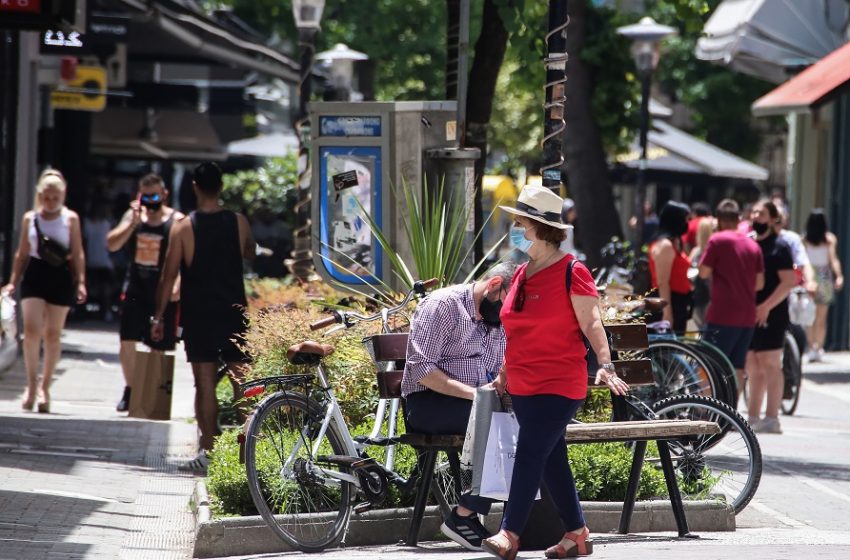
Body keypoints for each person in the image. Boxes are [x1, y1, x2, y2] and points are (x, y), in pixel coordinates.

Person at [481, 185, 629, 560]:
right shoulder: (521, 274)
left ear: (541, 228)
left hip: (560, 382)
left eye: (520, 224)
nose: (515, 230)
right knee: (551, 458)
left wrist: (606, 363)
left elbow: (592, 322)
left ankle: (509, 533)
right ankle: (577, 533)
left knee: (530, 452)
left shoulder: (572, 271)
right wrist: (504, 372)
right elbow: (515, 329)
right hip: (524, 384)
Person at [401, 261, 517, 551]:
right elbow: (421, 370)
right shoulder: (442, 305)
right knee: (497, 423)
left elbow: (495, 372)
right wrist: (477, 396)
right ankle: (463, 516)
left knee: (526, 420)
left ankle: (507, 520)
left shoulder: (495, 320)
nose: (508, 311)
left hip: (475, 403)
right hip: (429, 403)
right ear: (493, 286)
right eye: (508, 302)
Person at [151, 162, 255, 473]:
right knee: (242, 383)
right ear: (221, 187)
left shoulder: (183, 228)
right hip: (234, 312)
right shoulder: (238, 222)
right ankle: (247, 455)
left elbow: (168, 277)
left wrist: (158, 317)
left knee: (205, 384)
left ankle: (208, 454)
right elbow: (249, 251)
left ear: (195, 186)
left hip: (199, 316)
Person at [1, 169, 87, 413]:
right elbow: (22, 252)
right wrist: (13, 281)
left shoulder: (71, 219)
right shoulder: (30, 218)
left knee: (52, 334)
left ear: (63, 195)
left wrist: (81, 281)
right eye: (46, 197)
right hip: (36, 273)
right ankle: (30, 384)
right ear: (40, 195)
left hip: (60, 274)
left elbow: (78, 252)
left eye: (55, 197)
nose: (50, 202)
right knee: (31, 330)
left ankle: (45, 387)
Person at [107, 174, 183, 412]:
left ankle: (153, 396)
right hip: (136, 286)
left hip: (163, 288)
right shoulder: (133, 217)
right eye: (145, 196)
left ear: (164, 194)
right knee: (127, 340)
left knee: (159, 344)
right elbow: (112, 244)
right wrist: (132, 223)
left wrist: (178, 285)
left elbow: (184, 257)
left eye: (154, 195)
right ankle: (131, 389)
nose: (150, 200)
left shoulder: (177, 220)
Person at [698, 199, 764, 402]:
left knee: (707, 364)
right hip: (747, 315)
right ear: (738, 219)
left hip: (722, 314)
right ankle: (732, 413)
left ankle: (706, 409)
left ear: (718, 220)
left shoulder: (717, 240)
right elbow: (760, 284)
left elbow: (703, 272)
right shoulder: (754, 246)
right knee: (737, 366)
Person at [746, 200, 796, 434]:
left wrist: (766, 306)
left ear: (773, 218)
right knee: (753, 366)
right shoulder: (749, 243)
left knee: (771, 364)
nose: (756, 216)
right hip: (749, 312)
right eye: (755, 212)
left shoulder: (780, 247)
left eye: (762, 213)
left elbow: (788, 282)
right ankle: (753, 417)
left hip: (773, 313)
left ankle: (772, 417)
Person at [802, 209, 844, 362]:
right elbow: (834, 260)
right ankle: (815, 346)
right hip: (817, 276)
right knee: (818, 316)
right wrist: (838, 276)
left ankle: (816, 347)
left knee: (815, 316)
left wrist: (838, 275)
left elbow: (833, 259)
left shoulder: (828, 239)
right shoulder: (806, 240)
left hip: (816, 275)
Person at [648, 201, 692, 333]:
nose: (687, 222)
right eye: (685, 218)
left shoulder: (675, 242)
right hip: (668, 302)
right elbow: (662, 282)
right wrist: (667, 313)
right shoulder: (665, 246)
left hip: (679, 301)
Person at [82, 200, 115, 321]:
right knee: (87, 288)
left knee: (105, 290)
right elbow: (84, 242)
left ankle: (106, 311)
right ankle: (82, 312)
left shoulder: (107, 224)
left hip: (104, 261)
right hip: (90, 260)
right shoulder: (87, 224)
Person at [689, 217, 715, 328]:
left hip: (698, 293)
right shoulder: (715, 250)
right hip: (712, 294)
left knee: (698, 326)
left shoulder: (696, 251)